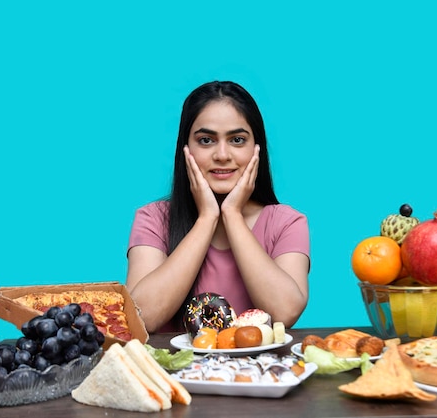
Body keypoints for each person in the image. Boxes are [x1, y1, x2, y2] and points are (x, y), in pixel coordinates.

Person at [125, 81, 310, 333]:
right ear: (185, 149)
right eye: (206, 140)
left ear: (257, 148)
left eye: (237, 139)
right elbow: (142, 318)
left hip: (259, 371)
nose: (222, 155)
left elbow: (285, 312)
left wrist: (232, 214)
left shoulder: (288, 222)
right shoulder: (153, 218)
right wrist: (207, 218)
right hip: (172, 372)